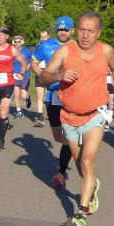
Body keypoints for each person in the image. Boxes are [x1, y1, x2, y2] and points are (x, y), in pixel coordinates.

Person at [40, 11, 114, 226]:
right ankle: (93, 185)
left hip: (95, 115)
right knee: (80, 166)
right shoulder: (64, 51)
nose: (85, 35)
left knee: (87, 162)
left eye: (90, 31)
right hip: (69, 117)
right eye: (82, 30)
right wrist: (59, 76)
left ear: (99, 32)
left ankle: (81, 214)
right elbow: (44, 76)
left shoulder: (105, 50)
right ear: (76, 30)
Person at [31, 17, 75, 188]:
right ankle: (72, 148)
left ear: (72, 30)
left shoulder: (77, 46)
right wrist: (43, 75)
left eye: (66, 29)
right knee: (58, 137)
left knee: (69, 136)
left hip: (72, 94)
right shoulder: (47, 45)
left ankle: (61, 173)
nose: (63, 32)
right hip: (53, 95)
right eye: (60, 29)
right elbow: (33, 62)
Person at [0, 27, 28, 151]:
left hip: (8, 83)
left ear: (7, 37)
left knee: (3, 114)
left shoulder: (12, 49)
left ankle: (1, 140)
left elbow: (24, 63)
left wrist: (22, 73)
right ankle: (4, 124)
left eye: (2, 35)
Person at [11, 35, 33, 119]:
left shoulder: (26, 51)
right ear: (13, 42)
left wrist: (29, 65)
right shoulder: (11, 51)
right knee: (16, 94)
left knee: (23, 95)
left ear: (22, 42)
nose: (17, 43)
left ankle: (28, 98)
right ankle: (19, 112)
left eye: (18, 41)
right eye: (15, 41)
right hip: (14, 74)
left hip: (24, 75)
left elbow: (32, 59)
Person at [32, 29, 50, 127]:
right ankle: (40, 118)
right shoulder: (37, 47)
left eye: (45, 37)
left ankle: (54, 115)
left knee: (51, 96)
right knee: (40, 96)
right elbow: (33, 60)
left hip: (50, 72)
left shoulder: (52, 46)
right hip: (39, 72)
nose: (43, 39)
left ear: (48, 37)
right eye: (41, 37)